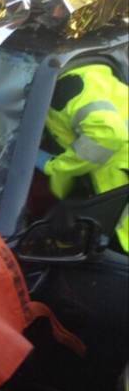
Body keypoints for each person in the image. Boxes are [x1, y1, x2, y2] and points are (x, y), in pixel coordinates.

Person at [36, 63, 129, 252]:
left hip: (118, 182)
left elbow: (108, 134)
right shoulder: (86, 75)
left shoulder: (67, 90)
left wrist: (55, 166)